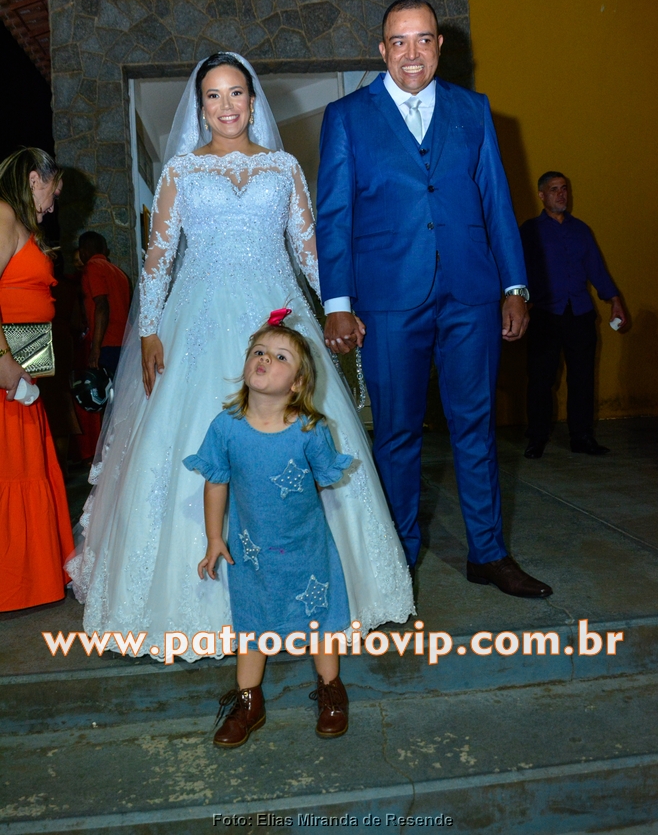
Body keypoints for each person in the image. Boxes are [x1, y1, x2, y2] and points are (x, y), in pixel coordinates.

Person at [66, 52, 413, 660]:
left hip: (277, 318)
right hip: (197, 322)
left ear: (253, 102)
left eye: (235, 93)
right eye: (213, 96)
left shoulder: (284, 168)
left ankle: (325, 594)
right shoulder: (180, 171)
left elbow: (309, 251)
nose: (226, 106)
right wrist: (149, 331)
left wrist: (337, 306)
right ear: (200, 108)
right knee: (192, 442)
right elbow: (158, 259)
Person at [316, 0, 552, 600]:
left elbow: (497, 201)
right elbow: (334, 215)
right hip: (388, 299)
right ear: (382, 50)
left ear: (440, 46)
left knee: (476, 425)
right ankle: (398, 558)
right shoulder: (346, 116)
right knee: (396, 432)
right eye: (399, 41)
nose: (412, 53)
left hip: (471, 292)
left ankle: (488, 553)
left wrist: (515, 286)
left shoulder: (474, 110)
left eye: (423, 39)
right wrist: (337, 302)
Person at [187, 316, 353, 745]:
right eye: (259, 352)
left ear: (297, 383)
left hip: (306, 548)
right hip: (251, 550)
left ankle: (331, 690)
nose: (265, 360)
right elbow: (216, 482)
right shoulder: (226, 426)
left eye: (280, 357)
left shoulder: (310, 429)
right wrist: (214, 538)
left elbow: (321, 478)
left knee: (319, 617)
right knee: (252, 620)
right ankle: (248, 701)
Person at [0, 147, 74, 611]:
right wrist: (3, 361)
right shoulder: (3, 214)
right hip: (7, 375)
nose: (52, 204)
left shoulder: (20, 223)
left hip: (24, 373)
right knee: (13, 472)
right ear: (33, 179)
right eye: (53, 191)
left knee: (27, 469)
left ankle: (28, 580)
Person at [520, 172, 626, 458]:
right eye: (554, 189)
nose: (561, 194)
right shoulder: (530, 231)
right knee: (541, 379)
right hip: (545, 314)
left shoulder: (581, 230)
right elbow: (517, 269)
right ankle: (537, 437)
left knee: (582, 379)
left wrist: (614, 300)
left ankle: (582, 437)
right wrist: (519, 303)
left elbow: (596, 269)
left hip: (580, 314)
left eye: (564, 188)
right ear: (542, 195)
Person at [78, 231, 131, 377]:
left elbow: (102, 305)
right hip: (125, 342)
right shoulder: (120, 273)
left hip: (106, 342)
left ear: (83, 252)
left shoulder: (92, 267)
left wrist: (95, 348)